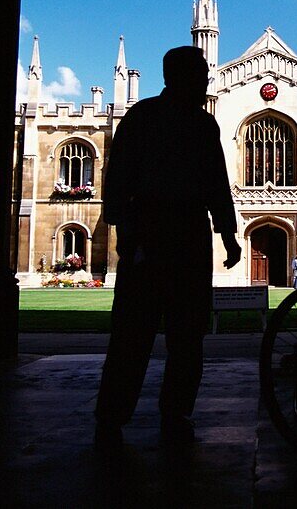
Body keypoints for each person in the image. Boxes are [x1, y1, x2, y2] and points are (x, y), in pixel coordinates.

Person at [94, 46, 241, 454]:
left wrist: (228, 235)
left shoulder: (197, 123)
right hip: (157, 231)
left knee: (181, 336)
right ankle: (118, 416)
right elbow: (119, 177)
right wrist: (125, 231)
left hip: (184, 234)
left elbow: (216, 183)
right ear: (180, 78)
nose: (206, 85)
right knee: (139, 335)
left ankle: (162, 414)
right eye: (201, 78)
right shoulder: (146, 118)